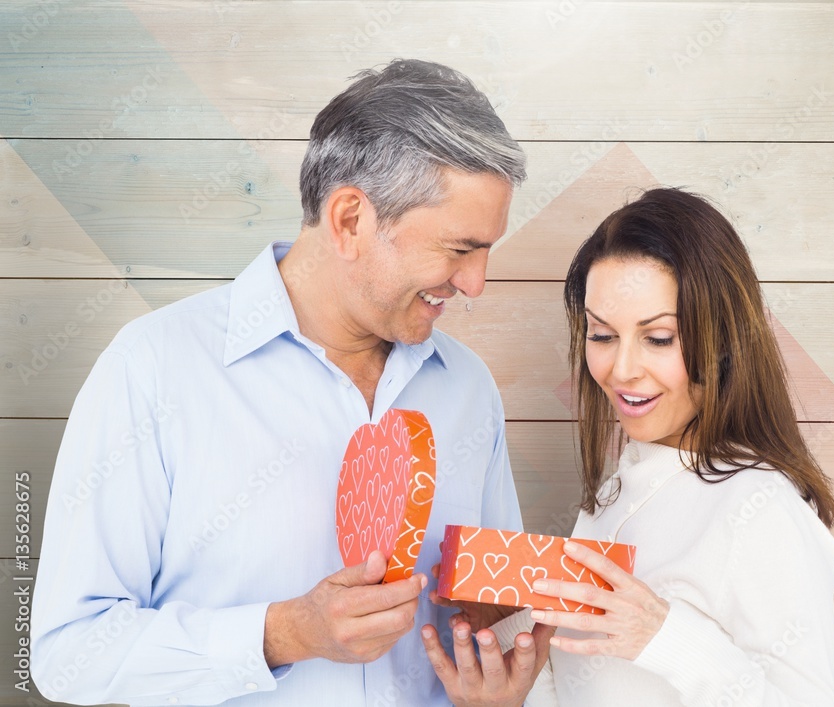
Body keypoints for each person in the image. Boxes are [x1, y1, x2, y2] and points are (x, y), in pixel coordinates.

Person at [31, 59, 550, 706]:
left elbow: (496, 621)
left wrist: (513, 659)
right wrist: (282, 633)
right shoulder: (156, 367)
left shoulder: (466, 386)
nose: (476, 283)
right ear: (351, 219)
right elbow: (67, 653)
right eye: (459, 249)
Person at [423, 187, 834, 705]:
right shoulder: (619, 491)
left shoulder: (759, 508)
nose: (621, 371)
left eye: (659, 338)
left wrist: (664, 635)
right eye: (602, 335)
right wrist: (511, 644)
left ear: (725, 337)